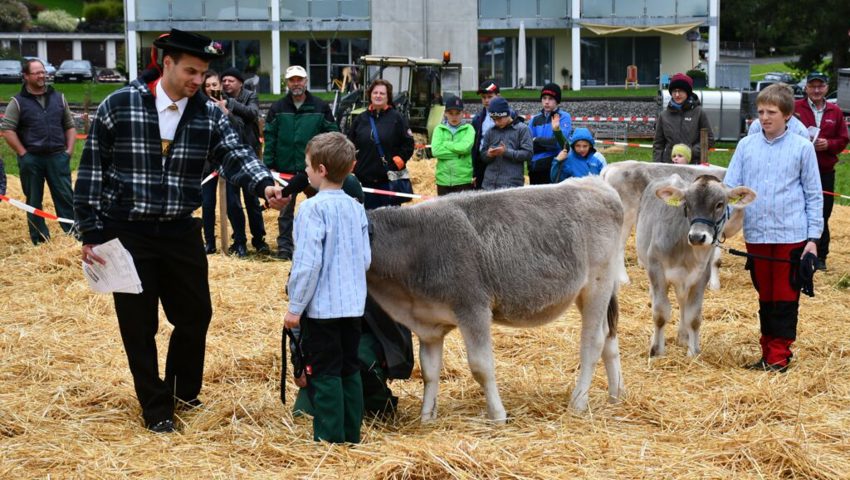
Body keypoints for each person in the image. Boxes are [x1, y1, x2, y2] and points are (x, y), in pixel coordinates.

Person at [73, 29, 287, 433]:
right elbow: (91, 171)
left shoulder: (207, 113)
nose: (197, 79)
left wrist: (265, 184)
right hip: (127, 232)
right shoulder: (119, 105)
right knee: (139, 326)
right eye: (190, 70)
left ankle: (182, 391)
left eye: (202, 72)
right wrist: (91, 231)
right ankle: (155, 408)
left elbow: (235, 153)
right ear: (165, 63)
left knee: (195, 315)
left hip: (179, 231)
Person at [723, 83, 822, 373]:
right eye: (761, 111)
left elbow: (813, 195)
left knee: (785, 295)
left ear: (788, 115)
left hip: (791, 233)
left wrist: (813, 239)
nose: (764, 118)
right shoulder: (745, 146)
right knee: (765, 295)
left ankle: (779, 355)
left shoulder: (802, 148)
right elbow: (730, 188)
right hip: (757, 233)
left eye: (772, 112)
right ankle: (767, 350)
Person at [283, 132, 370, 443]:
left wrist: (295, 308)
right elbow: (365, 259)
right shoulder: (356, 207)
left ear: (320, 169)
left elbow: (307, 264)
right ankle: (351, 434)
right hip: (353, 306)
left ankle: (330, 439)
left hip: (323, 308)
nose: (305, 171)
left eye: (307, 165)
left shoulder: (311, 209)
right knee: (349, 367)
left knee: (324, 371)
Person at [264, 64, 339, 260]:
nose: (296, 83)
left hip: (313, 170)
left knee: (320, 209)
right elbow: (270, 136)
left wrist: (327, 162)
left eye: (299, 79)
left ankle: (320, 245)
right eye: (292, 80)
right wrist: (269, 165)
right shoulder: (277, 108)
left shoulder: (321, 106)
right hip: (284, 169)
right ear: (287, 83)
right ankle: (285, 249)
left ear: (306, 81)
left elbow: (332, 134)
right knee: (285, 212)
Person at [1, 58, 76, 245]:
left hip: (58, 157)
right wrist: (23, 154)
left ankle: (75, 236)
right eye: (37, 72)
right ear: (26, 76)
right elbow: (8, 130)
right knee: (33, 201)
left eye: (43, 72)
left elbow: (70, 125)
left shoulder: (59, 98)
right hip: (32, 159)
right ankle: (40, 241)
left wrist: (69, 151)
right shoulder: (17, 103)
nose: (42, 75)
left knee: (66, 198)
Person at [793, 72, 849, 271]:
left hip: (824, 171)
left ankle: (821, 256)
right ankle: (798, 250)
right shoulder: (794, 108)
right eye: (812, 86)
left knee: (822, 214)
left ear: (826, 87)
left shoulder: (835, 111)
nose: (816, 90)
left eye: (820, 86)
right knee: (797, 211)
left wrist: (829, 144)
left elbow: (843, 139)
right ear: (806, 88)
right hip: (797, 171)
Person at [218, 67, 269, 257]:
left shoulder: (250, 96)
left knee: (252, 201)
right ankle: (239, 241)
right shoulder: (218, 96)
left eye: (230, 80)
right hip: (229, 156)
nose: (226, 83)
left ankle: (259, 240)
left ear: (240, 82)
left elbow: (252, 114)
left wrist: (229, 104)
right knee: (233, 203)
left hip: (249, 155)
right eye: (224, 80)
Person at [347, 79, 414, 210]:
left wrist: (398, 161)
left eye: (382, 93)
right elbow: (348, 144)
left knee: (391, 224)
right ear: (370, 95)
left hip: (389, 182)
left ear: (388, 97)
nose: (378, 96)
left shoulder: (397, 118)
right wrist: (354, 164)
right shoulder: (360, 119)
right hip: (365, 181)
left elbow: (408, 144)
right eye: (375, 92)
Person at [653, 72, 714, 164]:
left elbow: (709, 139)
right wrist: (657, 165)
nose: (677, 95)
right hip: (669, 165)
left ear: (687, 92)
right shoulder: (663, 115)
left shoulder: (699, 113)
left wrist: (688, 153)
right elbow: (658, 144)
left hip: (694, 164)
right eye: (674, 91)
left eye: (680, 91)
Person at [478, 96, 533, 190]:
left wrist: (506, 152)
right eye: (493, 119)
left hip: (511, 186)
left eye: (499, 118)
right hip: (488, 185)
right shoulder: (490, 131)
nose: (496, 122)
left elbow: (528, 154)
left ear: (507, 114)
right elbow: (483, 156)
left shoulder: (522, 129)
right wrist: (488, 154)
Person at [529, 83, 572, 185]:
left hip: (553, 168)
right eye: (544, 98)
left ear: (557, 101)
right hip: (534, 168)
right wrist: (547, 144)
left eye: (551, 98)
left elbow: (559, 144)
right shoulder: (534, 119)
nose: (546, 102)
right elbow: (528, 144)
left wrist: (537, 140)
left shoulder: (564, 117)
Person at [431, 95, 475, 195]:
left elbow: (465, 148)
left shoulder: (469, 129)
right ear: (445, 113)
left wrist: (446, 144)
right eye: (451, 113)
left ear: (463, 114)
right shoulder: (439, 129)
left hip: (463, 180)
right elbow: (436, 151)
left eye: (457, 113)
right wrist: (459, 154)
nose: (454, 117)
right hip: (443, 181)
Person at [471, 80, 500, 189]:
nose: (487, 100)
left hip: (501, 161)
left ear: (498, 96)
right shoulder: (477, 119)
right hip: (482, 162)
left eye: (490, 96)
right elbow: (475, 146)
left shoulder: (510, 116)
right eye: (484, 97)